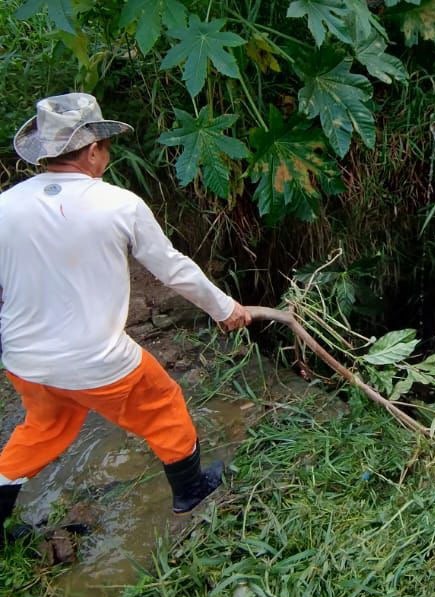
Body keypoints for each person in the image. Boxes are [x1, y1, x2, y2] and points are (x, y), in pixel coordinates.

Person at [0, 93, 252, 541]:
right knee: (163, 405)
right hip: (96, 360)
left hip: (25, 361)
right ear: (93, 150)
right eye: (105, 148)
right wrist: (225, 308)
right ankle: (191, 491)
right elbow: (173, 269)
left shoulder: (5, 206)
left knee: (42, 427)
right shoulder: (119, 204)